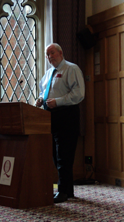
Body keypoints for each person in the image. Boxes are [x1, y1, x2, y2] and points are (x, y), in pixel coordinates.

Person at [36, 43, 85, 203]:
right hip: (51, 117)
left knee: (64, 154)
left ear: (61, 53)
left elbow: (79, 94)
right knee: (56, 156)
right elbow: (45, 90)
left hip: (66, 115)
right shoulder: (49, 73)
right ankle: (68, 190)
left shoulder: (71, 69)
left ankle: (63, 191)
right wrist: (41, 98)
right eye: (47, 55)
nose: (50, 57)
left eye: (52, 53)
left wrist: (58, 102)